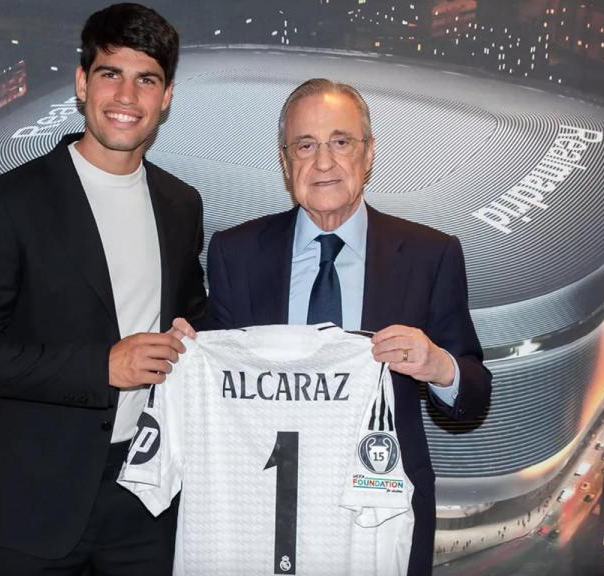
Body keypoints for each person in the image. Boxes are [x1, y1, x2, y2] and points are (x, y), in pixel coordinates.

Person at [0, 4, 205, 574]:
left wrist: (199, 337)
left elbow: (191, 310)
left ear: (167, 97)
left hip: (148, 498)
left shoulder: (181, 204)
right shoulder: (7, 202)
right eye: (111, 74)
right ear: (83, 84)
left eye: (146, 79)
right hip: (32, 499)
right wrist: (100, 366)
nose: (127, 96)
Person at [203, 78, 492, 575]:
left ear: (368, 153)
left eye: (340, 142)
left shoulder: (429, 255)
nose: (323, 162)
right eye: (305, 145)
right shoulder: (235, 253)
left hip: (382, 511)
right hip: (263, 512)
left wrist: (440, 367)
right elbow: (218, 389)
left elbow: (475, 394)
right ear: (284, 159)